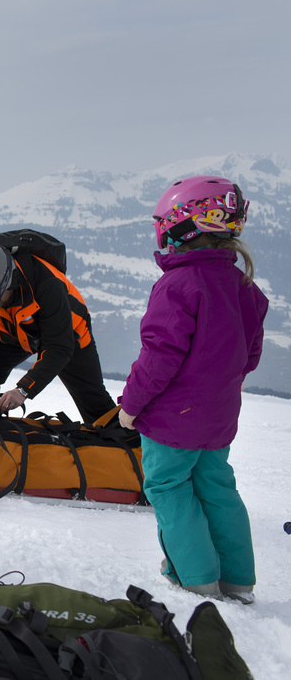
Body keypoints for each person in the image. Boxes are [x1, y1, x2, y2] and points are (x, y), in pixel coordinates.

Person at [119, 176, 267, 602]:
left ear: (182, 226)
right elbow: (248, 357)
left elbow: (158, 359)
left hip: (172, 420)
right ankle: (239, 581)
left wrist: (130, 406)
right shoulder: (246, 288)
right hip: (219, 417)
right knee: (217, 487)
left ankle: (195, 577)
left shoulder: (178, 285)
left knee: (168, 487)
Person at [0, 240, 116, 424]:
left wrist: (23, 391)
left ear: (8, 283)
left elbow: (58, 348)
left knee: (94, 402)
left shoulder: (48, 284)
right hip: (15, 331)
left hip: (67, 332)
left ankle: (127, 445)